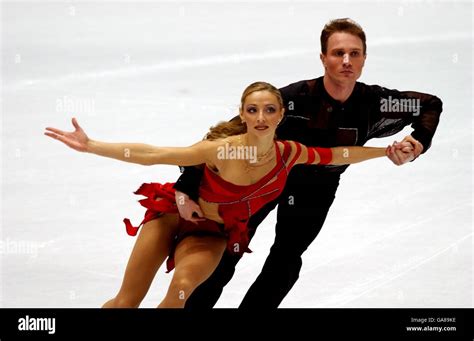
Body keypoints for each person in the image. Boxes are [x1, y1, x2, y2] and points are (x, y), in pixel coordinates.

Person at [44, 81, 396, 308]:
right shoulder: (222, 149)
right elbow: (154, 155)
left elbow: (339, 154)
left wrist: (387, 151)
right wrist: (91, 146)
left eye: (269, 109)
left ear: (281, 114)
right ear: (243, 114)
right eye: (253, 109)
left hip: (212, 233)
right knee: (126, 302)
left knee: (181, 290)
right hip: (170, 217)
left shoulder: (290, 153)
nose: (261, 116)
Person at [175, 18, 443, 309]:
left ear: (364, 58)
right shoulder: (291, 100)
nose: (346, 61)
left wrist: (416, 142)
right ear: (323, 58)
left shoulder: (374, 102)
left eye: (354, 53)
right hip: (263, 182)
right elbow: (221, 139)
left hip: (316, 189)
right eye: (337, 53)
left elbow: (429, 104)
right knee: (229, 251)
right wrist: (186, 186)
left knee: (286, 259)